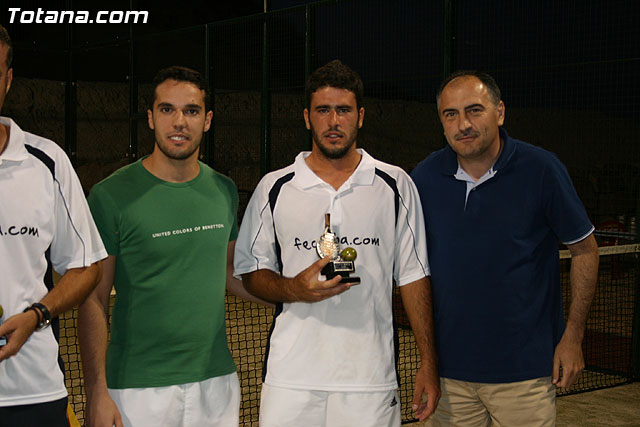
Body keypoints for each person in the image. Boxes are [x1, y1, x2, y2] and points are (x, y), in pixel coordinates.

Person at [234, 59, 440, 426]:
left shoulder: (395, 185)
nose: (333, 121)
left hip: (370, 380)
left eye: (343, 110)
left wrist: (428, 361)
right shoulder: (274, 187)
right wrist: (294, 289)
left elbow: (413, 276)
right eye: (323, 110)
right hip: (291, 379)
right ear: (307, 117)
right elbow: (251, 272)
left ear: (360, 117)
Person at [78, 65, 269, 427]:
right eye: (167, 109)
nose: (179, 122)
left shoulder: (224, 190)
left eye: (191, 111)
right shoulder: (110, 195)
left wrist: (294, 294)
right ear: (151, 117)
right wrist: (97, 393)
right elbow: (94, 298)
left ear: (207, 120)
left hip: (216, 384)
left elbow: (229, 271)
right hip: (136, 389)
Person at [411, 70, 599, 426]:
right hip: (448, 378)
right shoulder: (423, 178)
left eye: (474, 110)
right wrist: (427, 361)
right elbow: (412, 269)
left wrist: (573, 337)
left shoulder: (542, 169)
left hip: (525, 375)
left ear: (499, 112)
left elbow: (585, 251)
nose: (463, 124)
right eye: (451, 114)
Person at [0, 25, 106, 426]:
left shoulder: (47, 161)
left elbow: (85, 267)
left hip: (32, 390)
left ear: (8, 79)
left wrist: (37, 315)